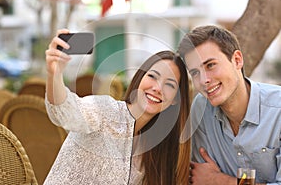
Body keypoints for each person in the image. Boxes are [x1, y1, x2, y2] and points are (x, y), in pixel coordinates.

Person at [44, 29, 191, 185]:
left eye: (169, 84)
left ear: (176, 99)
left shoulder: (157, 150)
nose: (157, 88)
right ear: (140, 78)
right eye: (152, 76)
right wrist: (54, 74)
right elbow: (64, 111)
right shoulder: (105, 111)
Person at [178, 25, 281, 185]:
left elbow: (209, 180)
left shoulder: (278, 110)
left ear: (237, 60)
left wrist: (221, 181)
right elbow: (199, 177)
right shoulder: (201, 108)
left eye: (210, 65)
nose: (204, 80)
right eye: (195, 73)